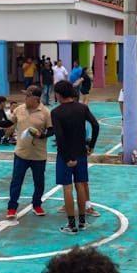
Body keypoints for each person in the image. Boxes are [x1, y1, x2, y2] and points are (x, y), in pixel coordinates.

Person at [51, 80, 100, 234]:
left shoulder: (56, 112)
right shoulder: (82, 108)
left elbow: (59, 136)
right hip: (81, 153)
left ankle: (71, 225)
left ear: (59, 94)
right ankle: (83, 222)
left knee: (67, 188)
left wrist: (66, 158)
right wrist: (91, 145)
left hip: (65, 155)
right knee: (80, 186)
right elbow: (96, 125)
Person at [6, 86, 54, 219]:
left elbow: (52, 130)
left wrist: (42, 135)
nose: (25, 98)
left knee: (39, 181)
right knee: (16, 181)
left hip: (38, 155)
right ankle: (12, 207)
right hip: (21, 153)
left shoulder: (45, 112)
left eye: (27, 96)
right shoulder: (19, 109)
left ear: (35, 99)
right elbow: (8, 123)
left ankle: (37, 204)